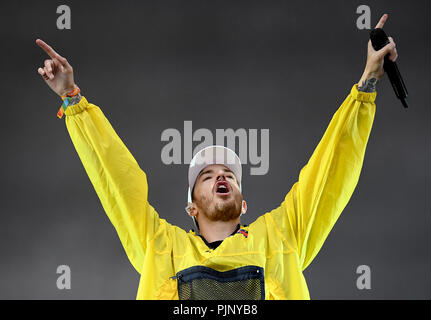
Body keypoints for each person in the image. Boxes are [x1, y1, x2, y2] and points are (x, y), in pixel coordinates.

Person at [36, 14, 398, 299]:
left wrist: (367, 82)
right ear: (191, 208)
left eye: (229, 175)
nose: (221, 177)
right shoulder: (161, 247)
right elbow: (116, 179)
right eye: (207, 177)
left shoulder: (279, 238)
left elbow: (329, 171)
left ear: (243, 205)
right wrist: (72, 99)